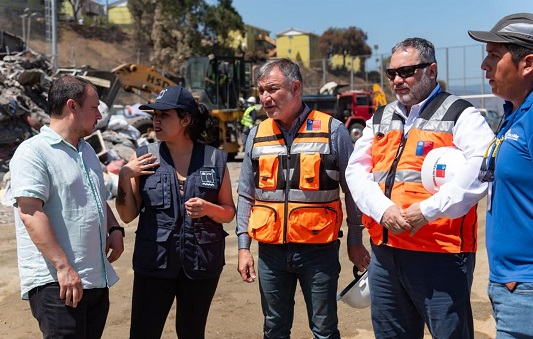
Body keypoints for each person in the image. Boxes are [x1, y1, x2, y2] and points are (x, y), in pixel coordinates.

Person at [345, 37, 494, 339]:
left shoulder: (460, 114)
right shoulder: (381, 117)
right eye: (392, 74)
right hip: (385, 258)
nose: (397, 80)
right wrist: (382, 209)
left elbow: (483, 166)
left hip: (439, 256)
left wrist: (427, 211)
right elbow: (356, 170)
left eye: (407, 71)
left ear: (432, 70)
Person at [236, 58, 369, 339]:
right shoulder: (256, 135)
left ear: (295, 88)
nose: (265, 98)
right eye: (261, 90)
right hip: (270, 253)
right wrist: (243, 247)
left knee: (324, 329)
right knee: (274, 328)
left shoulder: (333, 130)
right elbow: (246, 194)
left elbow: (352, 191)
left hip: (319, 251)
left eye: (272, 89)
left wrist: (355, 241)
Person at [116, 85, 235, 339]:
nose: (156, 121)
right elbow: (127, 216)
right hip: (155, 263)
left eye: (164, 115)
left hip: (201, 263)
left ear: (185, 120)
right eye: (154, 115)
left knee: (192, 332)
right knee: (143, 332)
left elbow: (228, 212)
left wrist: (207, 208)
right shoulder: (145, 158)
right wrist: (125, 176)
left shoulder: (214, 159)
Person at [9, 75, 124, 338]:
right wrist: (63, 267)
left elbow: (96, 196)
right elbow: (30, 212)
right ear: (72, 106)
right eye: (94, 108)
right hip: (57, 283)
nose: (99, 116)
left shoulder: (87, 151)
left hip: (93, 278)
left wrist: (115, 228)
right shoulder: (34, 152)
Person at [468, 13, 533, 338]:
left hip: (526, 289)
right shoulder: (514, 114)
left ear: (527, 64)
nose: (484, 65)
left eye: (494, 55)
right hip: (512, 286)